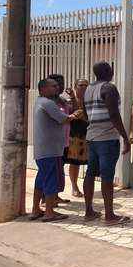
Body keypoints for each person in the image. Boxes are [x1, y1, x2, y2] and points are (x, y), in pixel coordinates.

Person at [83, 61, 131, 225]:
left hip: (92, 137)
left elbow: (85, 113)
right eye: (110, 68)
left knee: (90, 173)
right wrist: (125, 137)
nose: (112, 70)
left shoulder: (88, 89)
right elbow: (114, 114)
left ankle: (89, 211)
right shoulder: (109, 88)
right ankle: (109, 215)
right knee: (107, 176)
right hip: (107, 138)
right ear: (107, 71)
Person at [30, 78, 80, 222]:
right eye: (53, 86)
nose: (57, 88)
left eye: (57, 86)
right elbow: (63, 119)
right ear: (43, 89)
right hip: (50, 150)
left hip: (44, 149)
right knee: (51, 180)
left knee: (41, 179)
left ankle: (36, 210)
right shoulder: (47, 103)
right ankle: (49, 212)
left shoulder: (42, 102)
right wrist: (76, 115)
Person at [47, 74, 73, 204]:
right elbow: (61, 118)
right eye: (57, 84)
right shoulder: (48, 102)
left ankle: (55, 196)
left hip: (63, 141)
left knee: (59, 169)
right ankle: (46, 199)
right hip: (52, 142)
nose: (60, 86)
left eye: (62, 83)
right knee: (50, 171)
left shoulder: (62, 100)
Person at [66, 78, 89, 198]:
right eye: (81, 85)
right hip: (74, 136)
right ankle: (74, 187)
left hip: (87, 135)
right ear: (75, 87)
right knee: (74, 163)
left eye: (86, 85)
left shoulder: (90, 101)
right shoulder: (69, 101)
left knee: (84, 163)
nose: (83, 87)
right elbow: (72, 114)